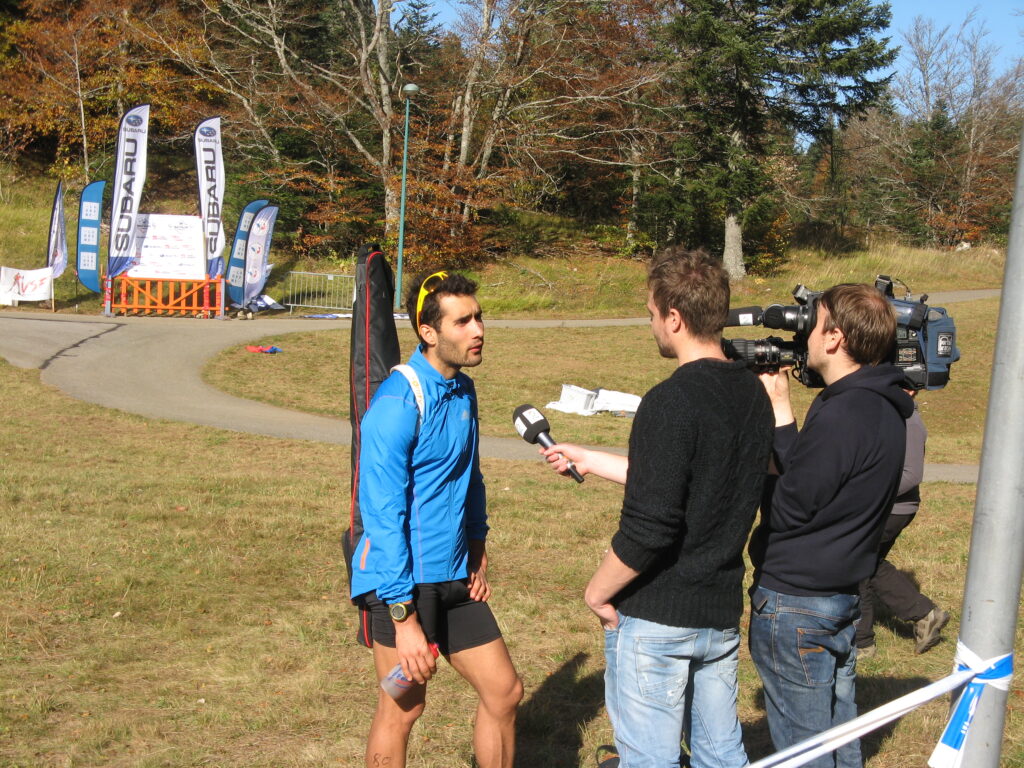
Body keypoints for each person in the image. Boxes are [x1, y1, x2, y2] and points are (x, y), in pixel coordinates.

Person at [543, 246, 774, 768]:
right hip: (716, 618)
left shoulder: (670, 401)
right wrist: (587, 457)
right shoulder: (753, 394)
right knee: (721, 758)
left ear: (674, 317)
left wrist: (598, 594)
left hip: (657, 620)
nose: (651, 325)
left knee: (649, 760)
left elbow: (653, 524)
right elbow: (689, 480)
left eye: (651, 314)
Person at [349, 270, 522, 768]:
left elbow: (470, 476)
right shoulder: (398, 402)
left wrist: (476, 546)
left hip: (454, 578)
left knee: (504, 692)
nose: (479, 330)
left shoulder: (463, 391)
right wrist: (403, 618)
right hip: (400, 585)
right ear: (429, 333)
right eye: (463, 321)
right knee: (403, 706)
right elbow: (382, 514)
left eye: (479, 317)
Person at [749, 283, 915, 768]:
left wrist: (753, 485)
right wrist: (781, 411)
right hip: (839, 592)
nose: (803, 334)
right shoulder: (880, 405)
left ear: (835, 337)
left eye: (812, 323)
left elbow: (790, 507)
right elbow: (815, 478)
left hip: (798, 602)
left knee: (806, 748)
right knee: (841, 731)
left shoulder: (845, 412)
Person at [855, 390, 949, 657]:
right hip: (884, 506)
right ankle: (924, 614)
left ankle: (861, 643)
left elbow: (912, 475)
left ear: (909, 389)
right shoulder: (892, 414)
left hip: (893, 509)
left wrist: (865, 494)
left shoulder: (909, 420)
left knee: (858, 564)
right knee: (869, 564)